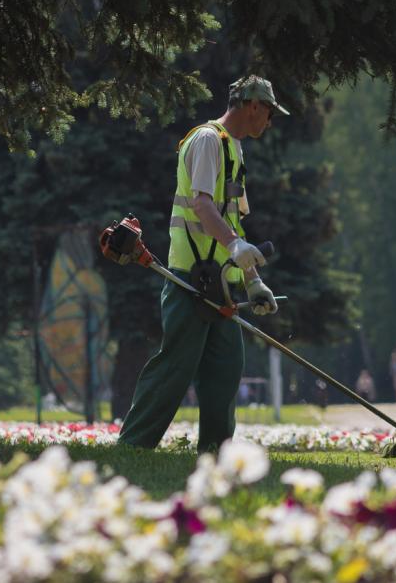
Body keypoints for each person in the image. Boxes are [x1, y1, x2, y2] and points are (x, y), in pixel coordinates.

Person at [118, 75, 288, 453]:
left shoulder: (235, 149)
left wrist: (253, 280)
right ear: (253, 106)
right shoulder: (208, 140)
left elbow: (232, 222)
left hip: (220, 282)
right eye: (270, 113)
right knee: (174, 369)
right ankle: (131, 447)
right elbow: (202, 206)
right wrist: (234, 246)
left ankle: (215, 454)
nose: (270, 121)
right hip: (189, 279)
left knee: (225, 370)